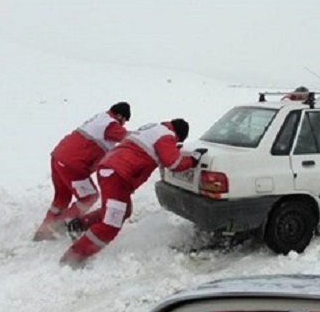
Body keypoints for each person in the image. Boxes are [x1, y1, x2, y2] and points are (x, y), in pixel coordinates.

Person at [59, 118, 202, 268]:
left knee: (124, 210)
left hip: (112, 170)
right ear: (178, 135)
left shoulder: (153, 128)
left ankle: (78, 225)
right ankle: (74, 257)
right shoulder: (166, 136)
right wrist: (192, 160)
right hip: (118, 175)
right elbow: (173, 163)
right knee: (111, 223)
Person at [33, 102, 131, 241]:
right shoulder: (111, 124)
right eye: (124, 121)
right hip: (73, 165)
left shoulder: (100, 118)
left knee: (61, 198)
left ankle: (43, 232)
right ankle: (57, 226)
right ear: (120, 116)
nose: (123, 124)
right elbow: (130, 139)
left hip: (58, 158)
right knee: (89, 196)